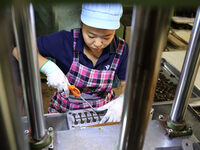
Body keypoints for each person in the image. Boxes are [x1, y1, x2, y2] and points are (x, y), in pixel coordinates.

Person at [13, 3, 129, 123]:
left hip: (104, 110)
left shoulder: (121, 49)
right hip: (66, 108)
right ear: (82, 25)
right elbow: (18, 50)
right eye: (91, 36)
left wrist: (124, 100)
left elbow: (128, 83)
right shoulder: (65, 41)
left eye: (106, 37)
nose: (98, 43)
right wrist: (48, 68)